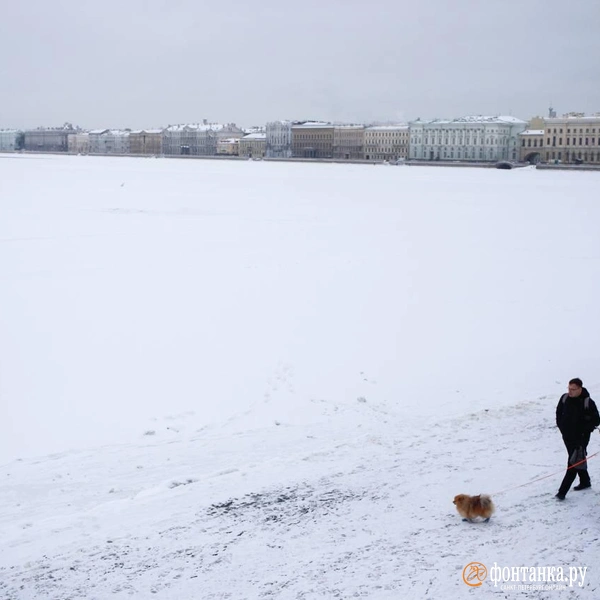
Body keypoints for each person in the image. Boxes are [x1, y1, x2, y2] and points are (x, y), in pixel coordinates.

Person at [555, 378, 600, 500]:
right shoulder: (564, 398)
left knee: (573, 463)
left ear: (580, 389)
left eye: (573, 389)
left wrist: (584, 428)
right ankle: (585, 481)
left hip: (580, 439)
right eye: (569, 388)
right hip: (567, 437)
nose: (570, 391)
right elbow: (558, 413)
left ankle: (561, 492)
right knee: (577, 459)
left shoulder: (588, 402)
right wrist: (562, 427)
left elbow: (596, 420)